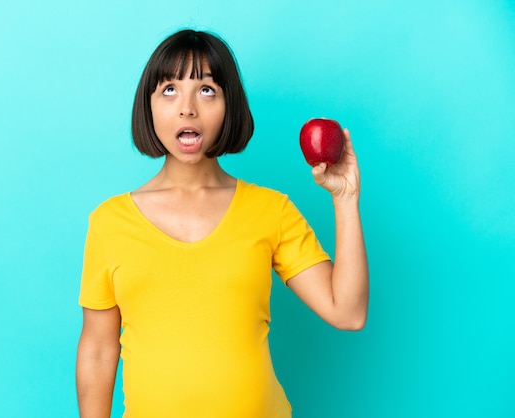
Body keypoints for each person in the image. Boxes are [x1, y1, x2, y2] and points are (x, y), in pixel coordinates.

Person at [76, 29, 368, 418]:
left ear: (230, 105)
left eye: (207, 90)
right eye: (169, 90)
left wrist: (345, 200)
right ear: (147, 106)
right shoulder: (110, 222)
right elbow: (98, 350)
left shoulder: (271, 210)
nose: (187, 108)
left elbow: (348, 312)